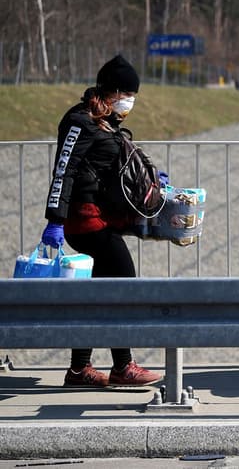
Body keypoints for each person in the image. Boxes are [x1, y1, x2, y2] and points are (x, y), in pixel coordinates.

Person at [41, 54, 163, 388]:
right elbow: (64, 169)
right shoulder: (80, 121)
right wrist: (55, 219)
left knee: (98, 294)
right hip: (84, 221)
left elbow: (112, 163)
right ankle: (123, 366)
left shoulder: (103, 121)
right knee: (123, 284)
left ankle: (80, 369)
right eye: (128, 94)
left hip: (100, 218)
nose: (131, 101)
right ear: (112, 90)